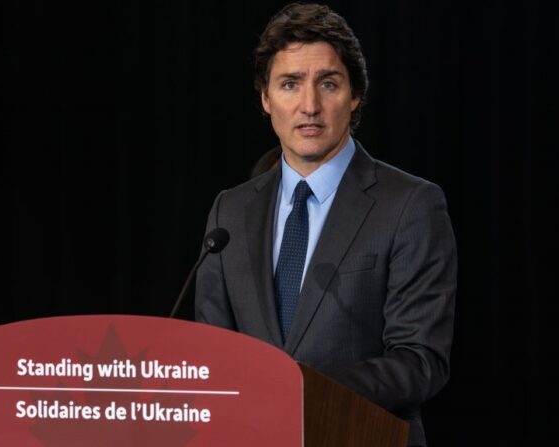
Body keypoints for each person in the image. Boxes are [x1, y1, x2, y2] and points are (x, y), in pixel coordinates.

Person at [194, 4, 456, 446]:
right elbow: (211, 356)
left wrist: (302, 390)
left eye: (328, 84)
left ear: (354, 96)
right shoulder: (230, 212)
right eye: (290, 84)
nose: (309, 106)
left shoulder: (411, 205)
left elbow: (420, 360)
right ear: (265, 98)